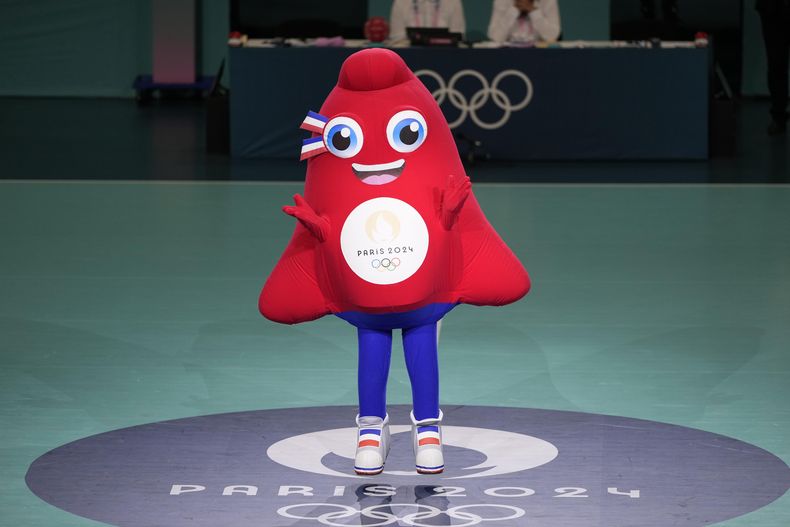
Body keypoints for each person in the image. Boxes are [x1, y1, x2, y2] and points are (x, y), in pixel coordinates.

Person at [756, 0, 790, 135]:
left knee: (776, 66)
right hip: (773, 11)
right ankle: (778, 116)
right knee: (776, 64)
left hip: (773, 10)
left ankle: (778, 117)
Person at [488, 0, 561, 45]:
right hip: (508, 55)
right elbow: (494, 38)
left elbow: (552, 36)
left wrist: (533, 11)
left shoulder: (548, 1)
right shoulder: (502, 1)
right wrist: (514, 10)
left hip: (540, 56)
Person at [389, 0, 466, 41]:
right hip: (410, 56)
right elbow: (396, 39)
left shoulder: (453, 1)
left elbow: (457, 36)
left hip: (445, 55)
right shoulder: (400, 2)